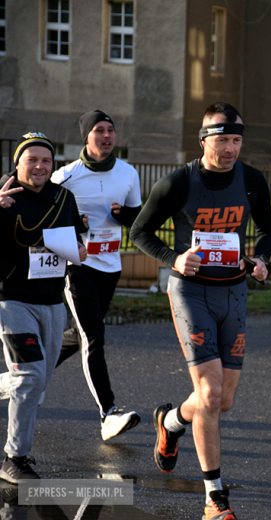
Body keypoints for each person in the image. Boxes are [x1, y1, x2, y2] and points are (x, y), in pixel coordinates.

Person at [130, 102, 271, 520]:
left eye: (236, 140)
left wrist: (261, 260)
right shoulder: (177, 182)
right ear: (203, 140)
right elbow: (140, 231)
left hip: (233, 293)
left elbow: (268, 230)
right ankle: (214, 497)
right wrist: (174, 258)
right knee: (210, 394)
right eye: (222, 139)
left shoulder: (252, 181)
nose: (230, 148)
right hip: (191, 293)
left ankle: (172, 422)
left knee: (222, 400)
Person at [0, 132, 88, 483]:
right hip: (11, 299)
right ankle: (15, 458)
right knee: (31, 377)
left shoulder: (63, 196)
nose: (39, 166)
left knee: (36, 382)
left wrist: (80, 249)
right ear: (18, 163)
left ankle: (19, 386)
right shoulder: (4, 195)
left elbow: (79, 237)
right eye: (31, 160)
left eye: (46, 161)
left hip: (52, 300)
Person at [51, 110, 142, 441]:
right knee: (94, 337)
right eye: (99, 130)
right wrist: (75, 223)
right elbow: (46, 210)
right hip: (78, 267)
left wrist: (125, 214)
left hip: (111, 267)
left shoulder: (128, 173)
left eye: (111, 130)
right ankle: (108, 413)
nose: (107, 136)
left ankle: (25, 378)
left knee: (79, 336)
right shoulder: (66, 175)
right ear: (86, 137)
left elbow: (137, 218)